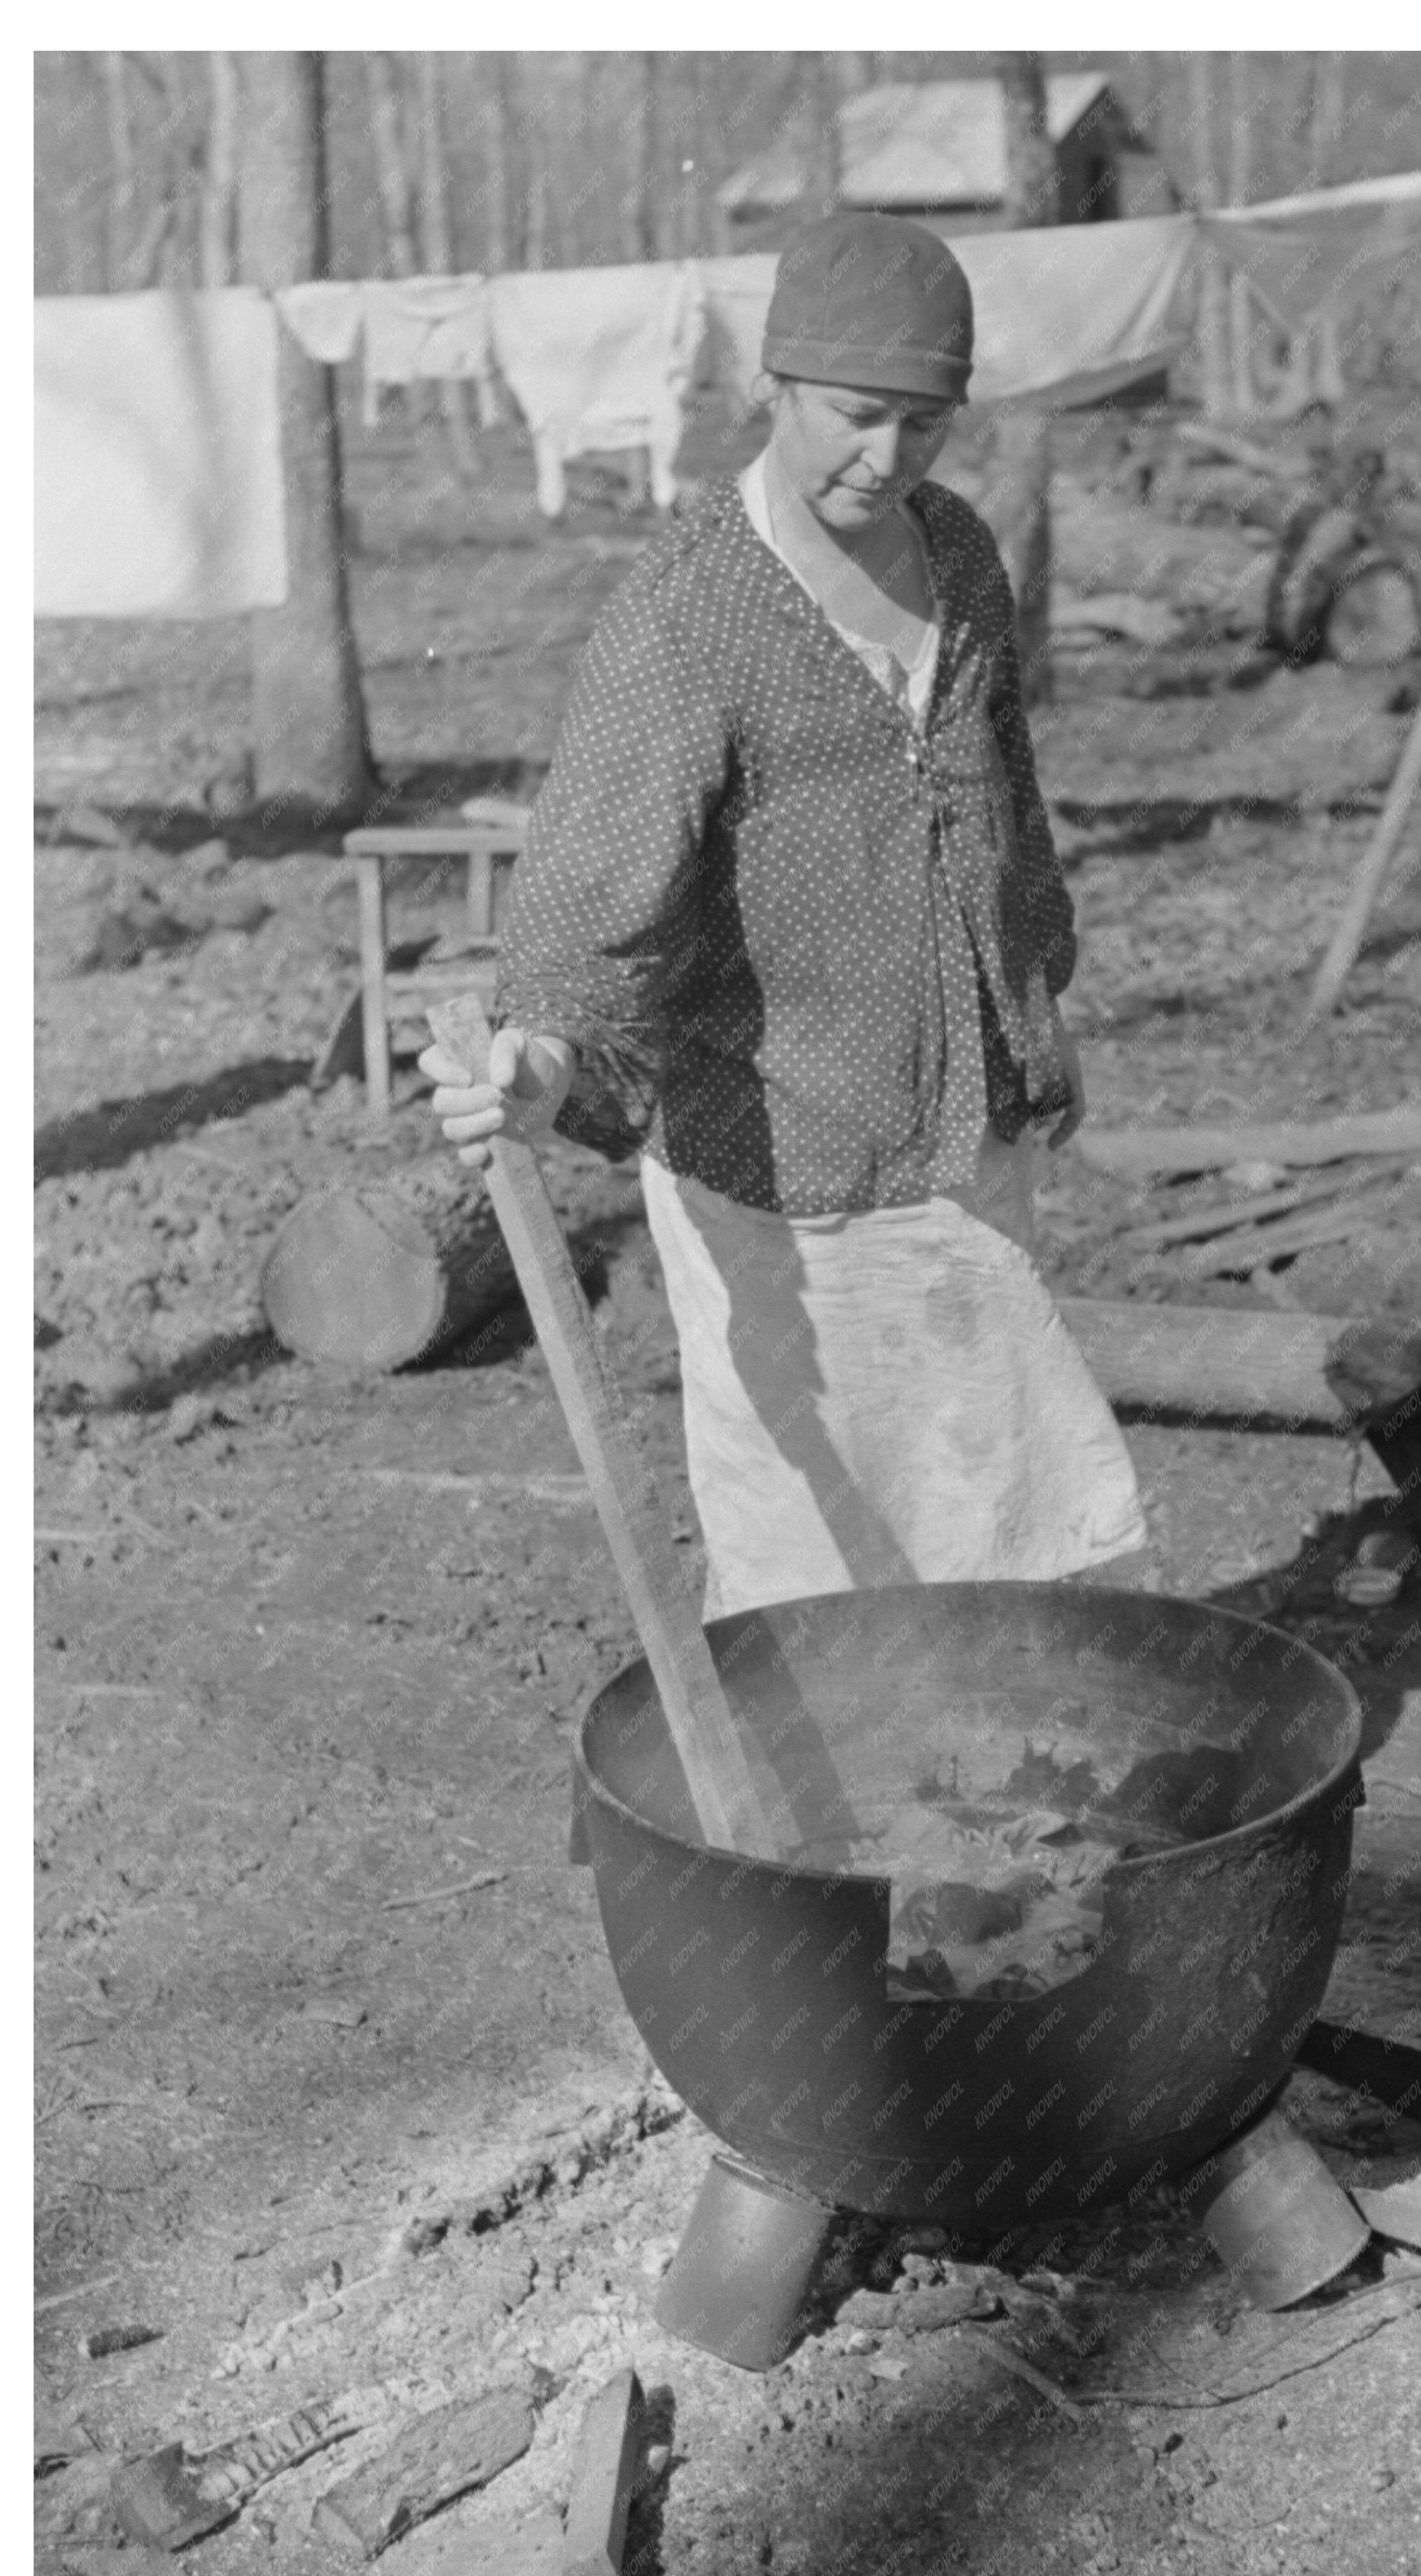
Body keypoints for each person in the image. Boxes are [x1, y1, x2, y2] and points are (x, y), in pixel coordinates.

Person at [423, 212, 1146, 1622]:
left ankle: (993, 1766)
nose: (888, 459)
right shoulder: (690, 611)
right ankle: (825, 1809)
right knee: (819, 1536)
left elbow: (1006, 806)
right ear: (775, 384)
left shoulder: (961, 555)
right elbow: (590, 895)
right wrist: (545, 1060)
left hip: (959, 1120)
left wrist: (1035, 1015)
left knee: (994, 1484)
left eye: (926, 426)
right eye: (857, 418)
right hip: (780, 1151)